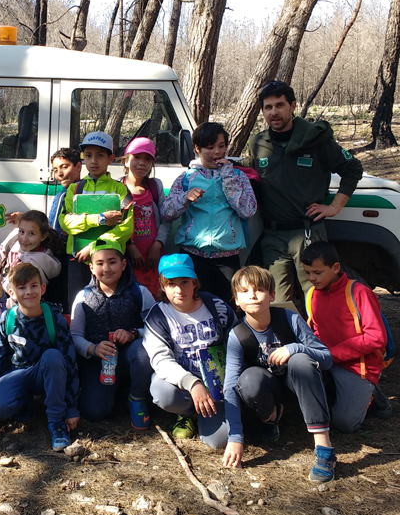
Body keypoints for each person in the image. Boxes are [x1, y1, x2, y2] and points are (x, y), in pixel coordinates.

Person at [241, 81, 363, 306]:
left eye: (280, 105)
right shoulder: (258, 142)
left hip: (307, 233)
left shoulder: (316, 139)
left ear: (293, 106)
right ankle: (288, 341)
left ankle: (324, 340)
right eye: (268, 107)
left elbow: (352, 168)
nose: (274, 112)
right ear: (262, 111)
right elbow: (251, 169)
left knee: (317, 299)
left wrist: (334, 206)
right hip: (273, 236)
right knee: (275, 301)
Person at [222, 265, 336, 483]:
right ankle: (270, 417)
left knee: (302, 361)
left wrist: (295, 348)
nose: (253, 296)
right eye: (244, 291)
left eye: (260, 290)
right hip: (268, 389)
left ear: (272, 295)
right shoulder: (237, 336)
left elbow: (326, 357)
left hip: (298, 385)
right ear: (236, 300)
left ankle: (324, 448)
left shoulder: (290, 319)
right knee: (248, 379)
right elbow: (229, 386)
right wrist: (235, 436)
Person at [0, 263, 80, 452]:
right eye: (22, 288)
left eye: (33, 286)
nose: (29, 292)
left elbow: (70, 362)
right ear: (12, 293)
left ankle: (55, 422)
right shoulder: (7, 319)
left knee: (54, 356)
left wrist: (71, 408)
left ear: (42, 288)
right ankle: (25, 404)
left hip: (45, 373)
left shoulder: (54, 318)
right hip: (18, 375)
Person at [143, 254, 236, 447]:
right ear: (162, 286)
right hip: (183, 385)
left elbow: (236, 342)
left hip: (217, 384)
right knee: (162, 391)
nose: (179, 290)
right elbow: (160, 359)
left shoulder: (216, 306)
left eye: (185, 282)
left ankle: (215, 410)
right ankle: (186, 412)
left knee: (218, 441)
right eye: (171, 284)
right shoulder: (158, 316)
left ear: (194, 282)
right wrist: (192, 384)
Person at [161, 123, 257, 304]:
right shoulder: (186, 178)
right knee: (194, 305)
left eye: (221, 146)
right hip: (193, 256)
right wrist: (185, 198)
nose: (217, 152)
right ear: (197, 148)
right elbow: (166, 213)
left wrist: (228, 178)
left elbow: (248, 210)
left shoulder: (237, 176)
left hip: (227, 257)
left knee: (228, 307)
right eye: (210, 147)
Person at [300, 241, 392, 431]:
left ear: (335, 268)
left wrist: (332, 354)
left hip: (359, 367)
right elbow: (316, 330)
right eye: (307, 273)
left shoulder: (359, 292)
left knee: (344, 425)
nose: (312, 278)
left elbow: (376, 337)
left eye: (317, 273)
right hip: (329, 361)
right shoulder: (311, 295)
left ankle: (372, 394)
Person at [70, 239, 155, 428]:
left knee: (142, 353)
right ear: (91, 268)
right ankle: (117, 392)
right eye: (100, 263)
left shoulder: (140, 292)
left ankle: (137, 397)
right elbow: (75, 336)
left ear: (124, 264)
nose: (106, 268)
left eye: (112, 262)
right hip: (100, 362)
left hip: (130, 355)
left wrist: (133, 333)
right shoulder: (83, 297)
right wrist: (93, 349)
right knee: (93, 412)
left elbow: (156, 329)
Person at [59, 131, 134, 308]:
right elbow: (65, 222)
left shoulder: (120, 190)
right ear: (82, 158)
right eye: (88, 155)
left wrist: (93, 248)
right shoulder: (74, 189)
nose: (93, 161)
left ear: (110, 158)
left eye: (100, 155)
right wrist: (100, 219)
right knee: (79, 308)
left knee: (111, 307)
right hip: (78, 261)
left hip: (109, 263)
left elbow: (125, 229)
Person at [120, 137, 169, 297]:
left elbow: (166, 219)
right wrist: (130, 246)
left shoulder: (155, 187)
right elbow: (114, 224)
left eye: (147, 159)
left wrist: (157, 245)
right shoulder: (117, 189)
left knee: (155, 297)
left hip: (153, 260)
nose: (142, 163)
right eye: (137, 157)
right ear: (126, 161)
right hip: (128, 260)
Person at [0, 210, 62, 308]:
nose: (24, 239)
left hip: (14, 303)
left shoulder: (37, 264)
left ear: (43, 237)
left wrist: (1, 297)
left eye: (31, 234)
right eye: (22, 231)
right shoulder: (15, 237)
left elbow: (23, 295)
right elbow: (1, 253)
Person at [47, 147, 82, 311]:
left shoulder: (80, 193)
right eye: (55, 169)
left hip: (70, 253)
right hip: (56, 252)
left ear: (78, 167)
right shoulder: (61, 193)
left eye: (64, 167)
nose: (59, 173)